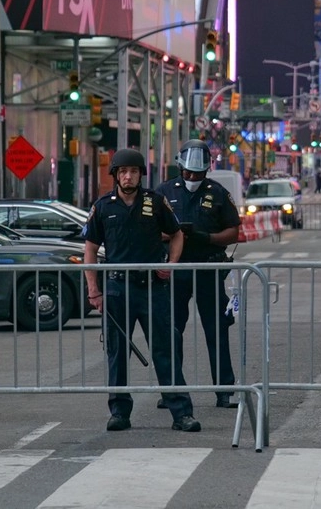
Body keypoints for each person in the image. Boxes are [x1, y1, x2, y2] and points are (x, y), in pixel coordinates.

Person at [84, 148, 201, 433]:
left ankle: (181, 413)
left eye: (133, 171)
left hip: (153, 288)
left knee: (165, 350)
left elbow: (176, 235)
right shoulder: (103, 207)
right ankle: (119, 412)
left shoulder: (156, 201)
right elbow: (89, 249)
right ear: (115, 175)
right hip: (116, 288)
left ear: (141, 174)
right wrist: (93, 290)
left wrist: (171, 264)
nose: (128, 176)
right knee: (117, 353)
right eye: (123, 171)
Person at [157, 141, 242, 408]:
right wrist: (173, 234)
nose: (192, 178)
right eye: (188, 173)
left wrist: (207, 237)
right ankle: (171, 390)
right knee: (171, 331)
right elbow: (149, 228)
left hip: (208, 268)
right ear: (180, 167)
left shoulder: (218, 193)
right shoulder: (164, 192)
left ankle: (224, 390)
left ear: (207, 169)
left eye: (198, 173)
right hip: (176, 270)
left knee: (216, 330)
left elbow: (233, 231)